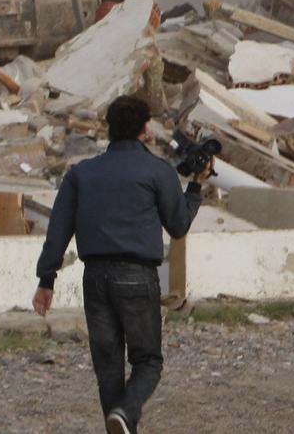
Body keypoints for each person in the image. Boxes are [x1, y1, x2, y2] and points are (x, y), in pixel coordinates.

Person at [34, 95, 208, 434]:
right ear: (144, 130)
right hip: (138, 276)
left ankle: (119, 421)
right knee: (148, 361)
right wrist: (196, 186)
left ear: (109, 128)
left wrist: (46, 279)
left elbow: (58, 230)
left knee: (108, 367)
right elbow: (178, 226)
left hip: (95, 278)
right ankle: (126, 415)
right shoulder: (158, 172)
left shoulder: (81, 174)